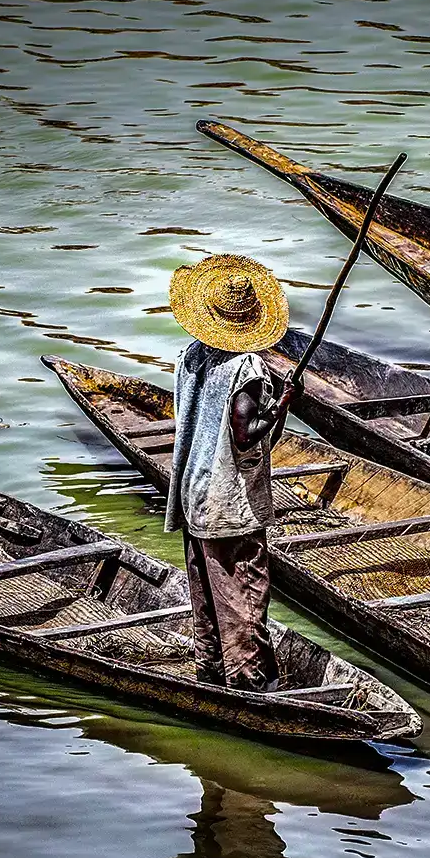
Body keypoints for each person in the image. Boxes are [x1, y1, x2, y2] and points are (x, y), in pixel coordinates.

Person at [164, 254, 300, 691]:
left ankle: (210, 672)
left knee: (206, 594)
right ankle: (249, 684)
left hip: (193, 492)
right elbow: (244, 435)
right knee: (243, 595)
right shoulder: (247, 367)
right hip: (228, 502)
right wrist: (280, 407)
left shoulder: (191, 356)